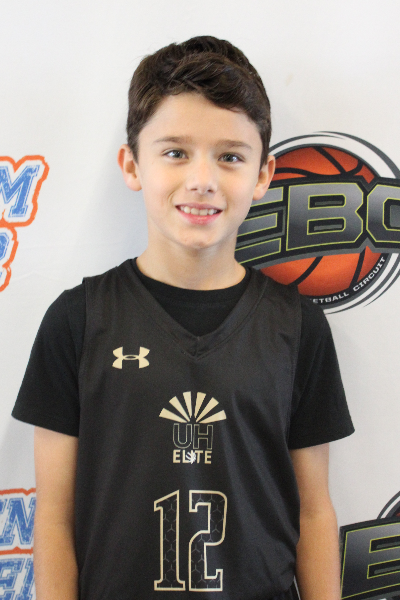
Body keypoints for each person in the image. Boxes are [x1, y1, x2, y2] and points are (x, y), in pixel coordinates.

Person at [12, 36, 354, 600]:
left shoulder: (298, 329)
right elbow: (53, 516)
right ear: (132, 165)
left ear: (263, 174)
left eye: (230, 156)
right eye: (175, 152)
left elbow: (314, 512)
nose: (202, 179)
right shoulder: (77, 321)